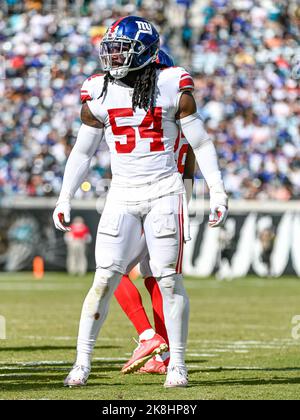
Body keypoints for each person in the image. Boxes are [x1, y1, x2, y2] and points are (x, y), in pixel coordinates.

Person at [53, 16, 228, 388]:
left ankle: (176, 364)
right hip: (122, 193)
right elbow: (82, 152)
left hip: (165, 190)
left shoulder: (170, 83)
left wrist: (216, 190)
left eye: (122, 50)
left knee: (167, 280)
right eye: (110, 50)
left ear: (145, 53)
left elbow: (201, 143)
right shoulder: (97, 90)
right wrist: (65, 195)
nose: (113, 58)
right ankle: (82, 363)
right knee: (103, 277)